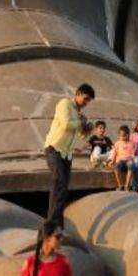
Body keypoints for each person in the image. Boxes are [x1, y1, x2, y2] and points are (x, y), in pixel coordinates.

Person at [44, 83, 94, 229]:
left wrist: (87, 129)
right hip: (55, 148)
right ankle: (52, 225)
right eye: (85, 98)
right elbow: (66, 124)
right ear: (78, 93)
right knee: (59, 183)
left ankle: (56, 224)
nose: (86, 103)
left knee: (62, 189)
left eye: (88, 101)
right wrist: (80, 122)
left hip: (67, 154)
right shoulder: (64, 104)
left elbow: (80, 135)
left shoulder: (78, 113)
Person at [109, 124, 135, 190]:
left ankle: (127, 185)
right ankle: (120, 185)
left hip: (128, 161)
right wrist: (112, 161)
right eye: (120, 135)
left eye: (123, 135)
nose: (122, 137)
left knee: (131, 165)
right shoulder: (117, 143)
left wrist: (132, 159)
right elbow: (114, 153)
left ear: (128, 135)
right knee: (116, 166)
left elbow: (133, 154)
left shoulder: (131, 143)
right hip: (120, 161)